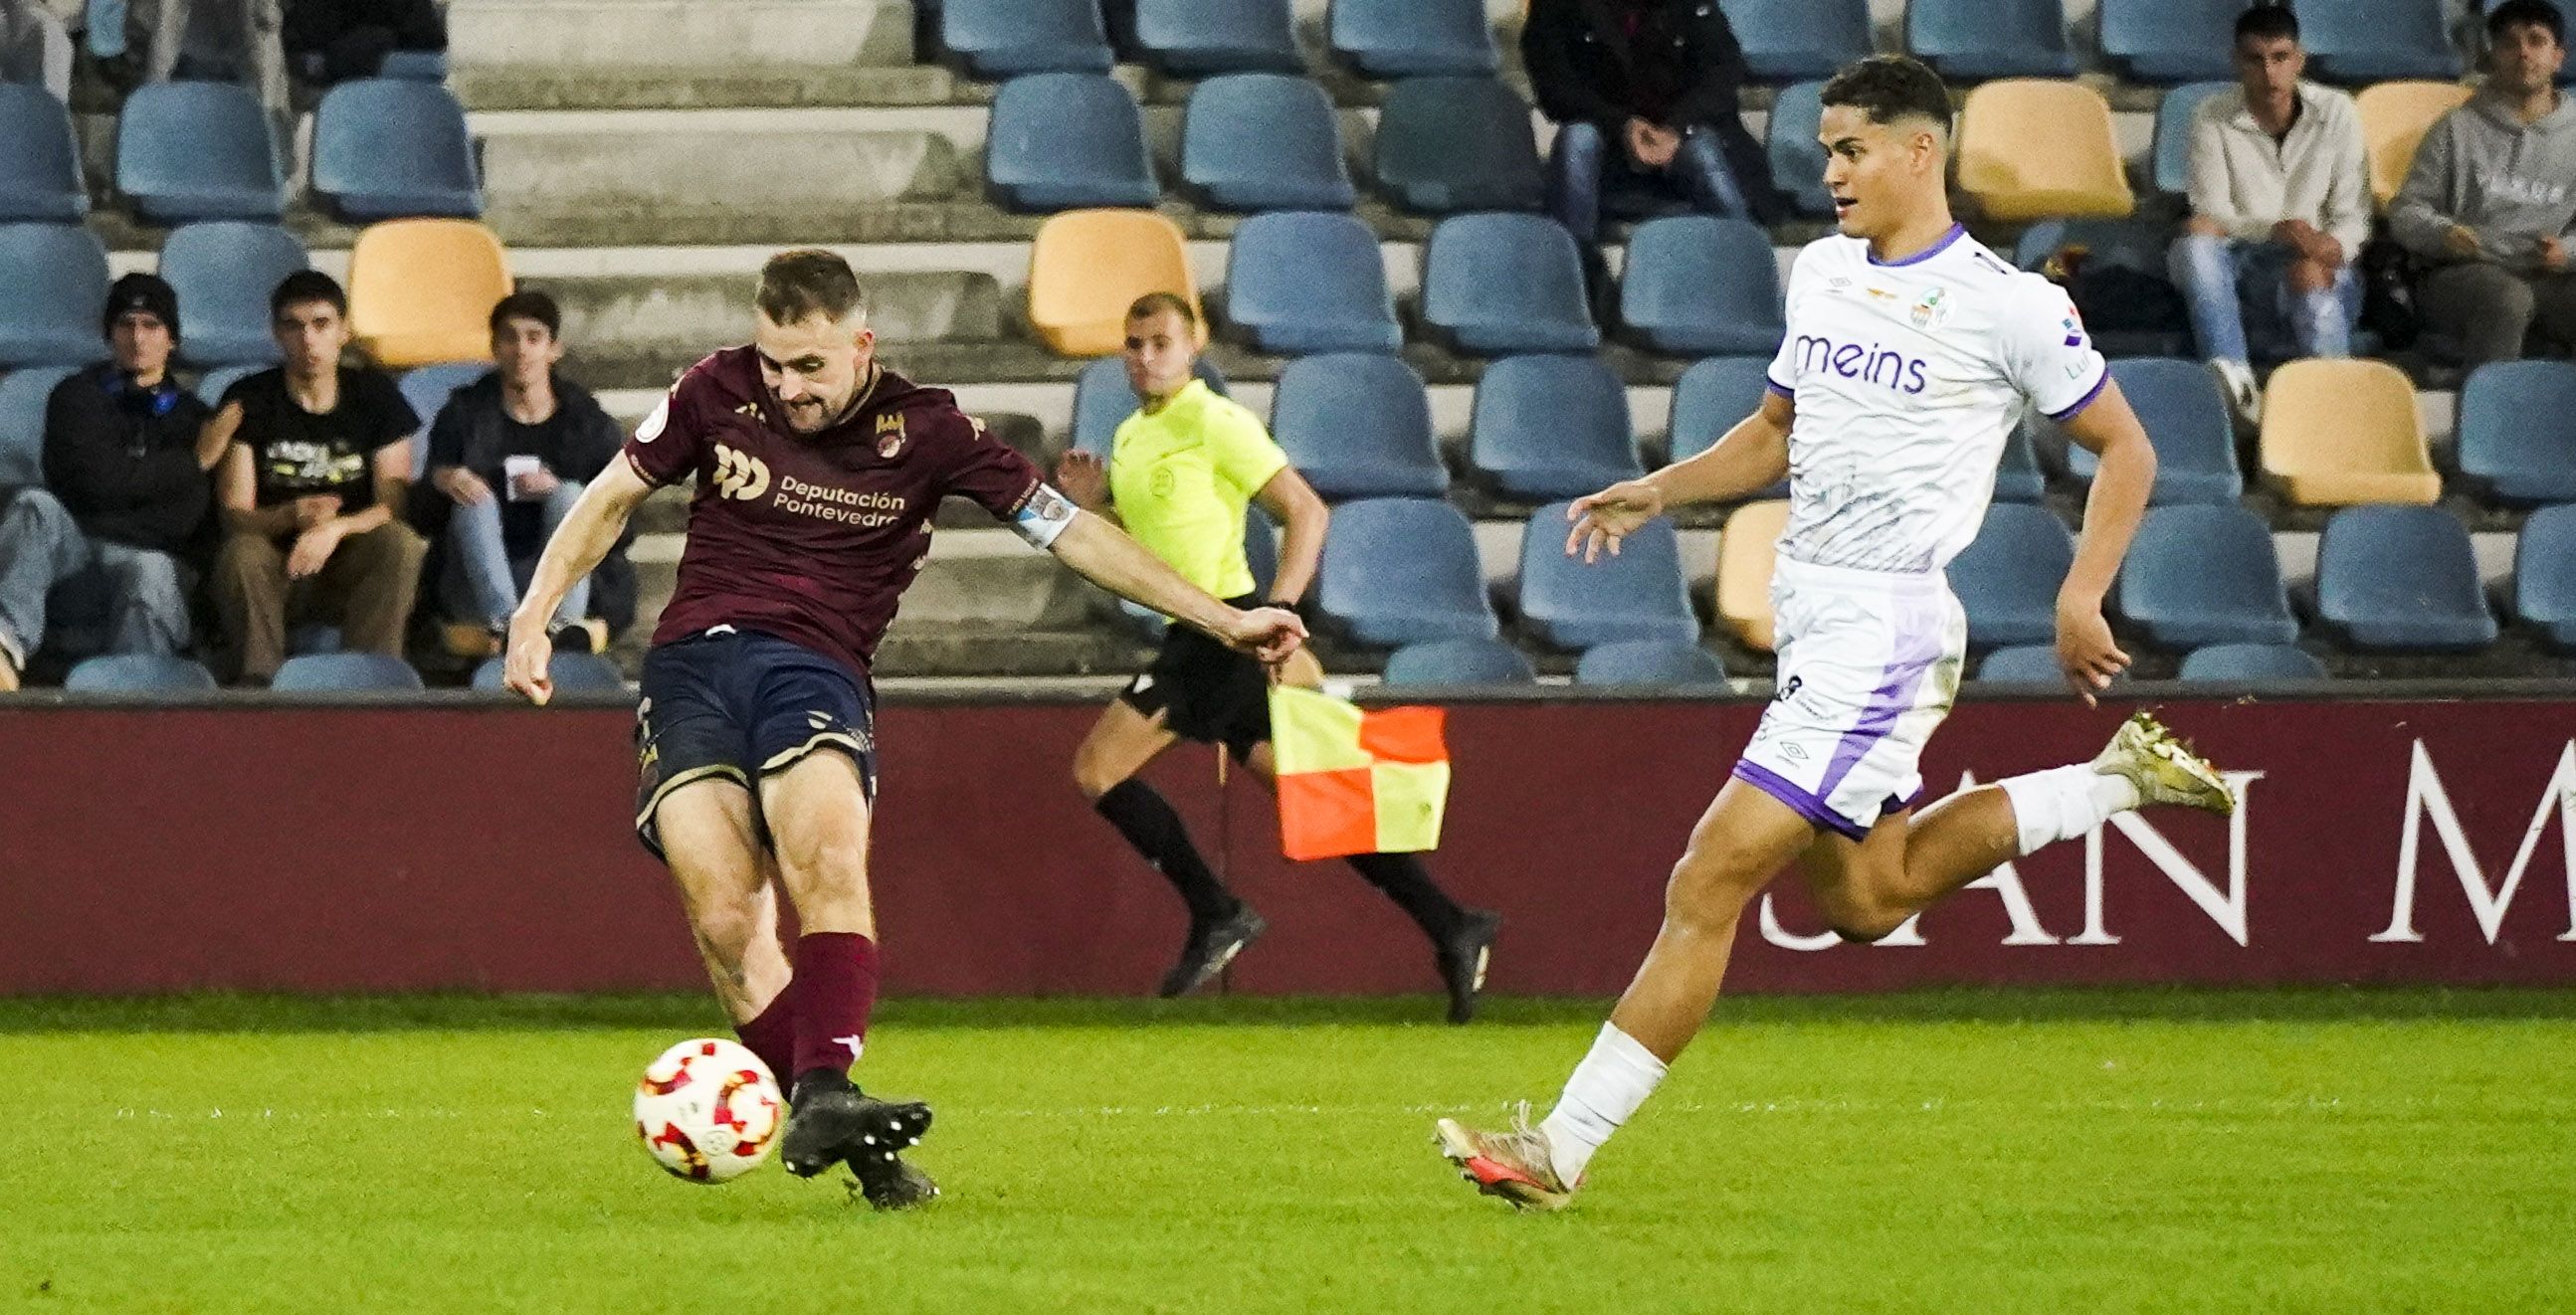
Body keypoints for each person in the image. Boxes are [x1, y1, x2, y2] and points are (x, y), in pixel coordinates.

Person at [1434, 56, 2237, 1212]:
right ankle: (2113, 782)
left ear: (1922, 151)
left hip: (1888, 630)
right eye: (1826, 148)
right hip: (1818, 614)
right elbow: (1775, 434)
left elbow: (2132, 447)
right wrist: (1656, 489)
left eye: (1852, 147)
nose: (1832, 170)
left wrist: (2080, 594)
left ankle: (1561, 1146)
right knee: (1866, 899)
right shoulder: (1821, 274)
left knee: (1707, 875)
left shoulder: (2009, 304)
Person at [497, 251, 1305, 1210]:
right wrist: (533, 609)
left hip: (816, 671)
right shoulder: (714, 388)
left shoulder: (930, 430)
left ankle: (829, 1089)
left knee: (827, 858)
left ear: (861, 345)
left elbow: (1074, 532)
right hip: (691, 672)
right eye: (773, 363)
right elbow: (610, 497)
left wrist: (1224, 615)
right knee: (724, 920)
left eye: (810, 367)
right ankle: (859, 1145)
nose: (787, 388)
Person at [1052, 293, 1503, 1023]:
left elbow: (1305, 510)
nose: (1144, 357)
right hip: (1197, 630)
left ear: (1193, 344)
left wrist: (1282, 610)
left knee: (1097, 770)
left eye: (1159, 341)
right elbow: (1149, 549)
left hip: (1220, 632)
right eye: (1133, 344)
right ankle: (1451, 923)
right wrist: (1094, 507)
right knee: (1316, 798)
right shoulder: (1133, 435)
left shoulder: (1215, 420)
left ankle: (1217, 910)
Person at [203, 270, 426, 685]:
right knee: (241, 553)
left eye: (321, 325)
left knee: (401, 544)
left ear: (343, 331)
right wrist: (290, 515)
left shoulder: (376, 396)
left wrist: (334, 530)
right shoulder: (250, 397)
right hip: (275, 566)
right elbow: (235, 514)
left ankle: (371, 684)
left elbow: (392, 506)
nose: (308, 340)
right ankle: (260, 687)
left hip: (349, 561)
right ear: (276, 333)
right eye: (294, 326)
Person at [0, 274, 214, 691]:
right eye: (126, 324)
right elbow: (80, 486)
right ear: (109, 334)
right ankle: (3, 648)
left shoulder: (195, 417)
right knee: (35, 507)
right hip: (77, 556)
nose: (138, 338)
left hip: (150, 563)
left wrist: (112, 495)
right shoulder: (76, 397)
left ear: (172, 339)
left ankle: (137, 702)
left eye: (152, 325)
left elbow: (182, 521)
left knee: (149, 568)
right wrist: (189, 465)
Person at [2168, 2, 2369, 421]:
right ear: (2237, 62)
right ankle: (2234, 383)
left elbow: (2353, 213)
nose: (2269, 73)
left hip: (2320, 261)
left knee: (2310, 273)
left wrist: (2329, 247)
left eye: (2280, 58)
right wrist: (2273, 229)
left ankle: (2337, 413)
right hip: (2246, 265)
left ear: (2300, 59)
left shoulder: (2337, 112)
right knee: (2195, 244)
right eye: (2255, 60)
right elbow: (2211, 212)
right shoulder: (2210, 115)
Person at [421, 290, 626, 655]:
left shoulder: (588, 423)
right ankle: (507, 625)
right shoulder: (462, 415)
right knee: (474, 499)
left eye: (534, 338)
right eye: (509, 337)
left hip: (566, 584)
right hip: (475, 583)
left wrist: (562, 491)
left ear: (554, 349)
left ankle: (560, 626)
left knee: (572, 496)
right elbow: (423, 518)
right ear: (494, 347)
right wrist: (443, 480)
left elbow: (622, 519)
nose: (521, 350)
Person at [1521, 0, 1786, 265]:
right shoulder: (1556, 6)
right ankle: (1574, 272)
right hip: (1606, 140)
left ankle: (1750, 267)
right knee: (1578, 141)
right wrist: (1623, 126)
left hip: (1683, 131)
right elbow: (1554, 86)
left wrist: (1675, 128)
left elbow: (1722, 71)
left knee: (1704, 151)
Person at [2390, 0, 2576, 368]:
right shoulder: (2455, 129)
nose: (2523, 52)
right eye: (2509, 43)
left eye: (2536, 41)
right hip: (2459, 274)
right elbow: (2405, 212)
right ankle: (2489, 416)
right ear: (2493, 57)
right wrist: (2444, 234)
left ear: (2558, 57)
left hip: (2547, 274)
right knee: (2508, 297)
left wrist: (2567, 252)